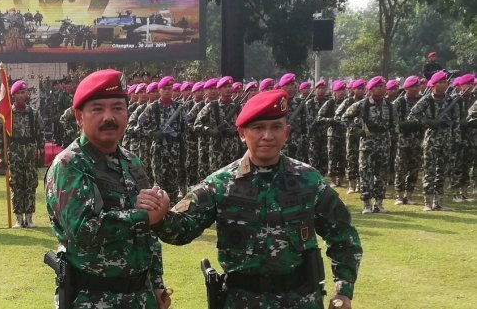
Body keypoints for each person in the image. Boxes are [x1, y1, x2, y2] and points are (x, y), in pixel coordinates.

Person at [139, 89, 362, 309]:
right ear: (242, 133)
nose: (268, 136)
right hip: (242, 301)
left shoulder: (309, 180)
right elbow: (182, 230)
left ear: (287, 132)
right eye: (258, 128)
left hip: (301, 299)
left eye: (276, 127)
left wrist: (343, 291)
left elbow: (343, 236)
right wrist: (160, 217)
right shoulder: (220, 184)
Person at [45, 69, 171, 309]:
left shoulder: (132, 162)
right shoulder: (70, 165)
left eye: (117, 108)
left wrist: (156, 282)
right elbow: (82, 229)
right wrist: (142, 217)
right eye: (97, 109)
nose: (109, 117)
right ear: (79, 117)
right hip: (93, 299)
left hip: (141, 297)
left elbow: (149, 233)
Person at [342, 77, 397, 214]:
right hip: (367, 144)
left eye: (383, 86)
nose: (381, 88)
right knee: (366, 173)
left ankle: (379, 203)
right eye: (377, 86)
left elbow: (394, 123)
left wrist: (393, 136)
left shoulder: (390, 105)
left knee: (381, 173)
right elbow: (344, 118)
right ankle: (367, 203)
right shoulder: (362, 104)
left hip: (384, 144)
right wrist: (356, 131)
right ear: (371, 89)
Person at [407, 71, 457, 211]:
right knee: (429, 171)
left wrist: (450, 125)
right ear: (434, 85)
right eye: (440, 83)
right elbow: (412, 116)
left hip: (446, 139)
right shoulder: (427, 100)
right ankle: (427, 202)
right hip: (431, 140)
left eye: (445, 82)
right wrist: (427, 122)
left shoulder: (450, 100)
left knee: (443, 171)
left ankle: (439, 201)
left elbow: (457, 120)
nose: (444, 85)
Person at [0, 80, 44, 228]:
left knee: (30, 184)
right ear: (13, 95)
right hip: (14, 152)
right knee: (16, 184)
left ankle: (29, 217)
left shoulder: (33, 114)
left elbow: (40, 134)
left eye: (24, 92)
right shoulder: (7, 115)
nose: (22, 95)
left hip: (29, 152)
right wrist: (0, 155)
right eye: (18, 93)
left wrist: (41, 152)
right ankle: (18, 217)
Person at [392, 76, 424, 205]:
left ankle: (409, 195)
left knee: (414, 169)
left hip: (417, 140)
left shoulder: (421, 101)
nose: (416, 89)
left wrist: (420, 124)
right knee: (401, 168)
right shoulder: (399, 102)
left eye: (417, 86)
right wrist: (403, 125)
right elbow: (392, 121)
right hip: (402, 140)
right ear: (406, 88)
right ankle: (399, 195)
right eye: (413, 86)